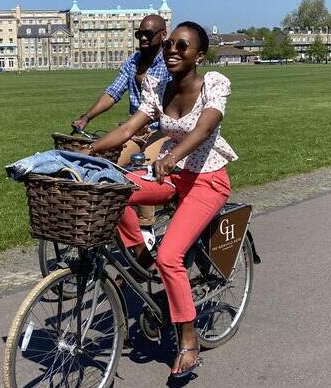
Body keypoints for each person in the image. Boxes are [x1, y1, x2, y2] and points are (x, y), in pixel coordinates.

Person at [83, 21, 237, 378]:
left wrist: (171, 155)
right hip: (171, 177)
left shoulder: (213, 84)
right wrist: (90, 150)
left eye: (182, 47)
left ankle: (188, 337)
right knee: (113, 186)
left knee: (170, 255)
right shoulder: (158, 86)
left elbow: (205, 127)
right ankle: (141, 256)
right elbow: (127, 129)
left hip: (206, 180)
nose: (172, 51)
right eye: (170, 45)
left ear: (199, 55)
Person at [72, 14, 171, 232]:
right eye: (139, 34)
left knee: (143, 171)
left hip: (162, 131)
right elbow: (112, 93)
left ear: (163, 35)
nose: (143, 38)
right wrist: (87, 117)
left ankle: (146, 230)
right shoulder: (133, 62)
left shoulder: (170, 62)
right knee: (109, 163)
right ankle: (115, 220)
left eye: (148, 34)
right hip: (135, 130)